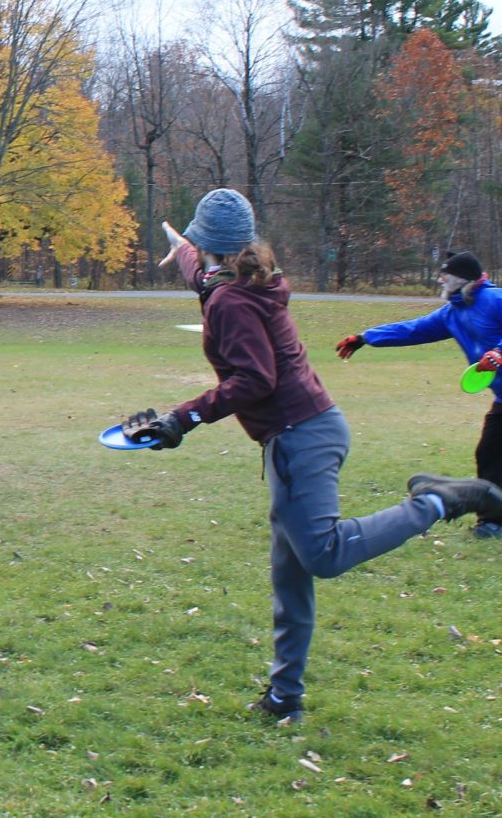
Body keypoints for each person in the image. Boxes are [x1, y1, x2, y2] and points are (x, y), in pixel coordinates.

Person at [120, 187, 502, 725]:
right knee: (290, 574)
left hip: (300, 436)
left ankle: (436, 503)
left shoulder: (231, 300)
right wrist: (179, 243)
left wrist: (184, 417)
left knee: (323, 554)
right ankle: (285, 697)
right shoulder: (252, 279)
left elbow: (255, 379)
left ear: (211, 246)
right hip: (307, 430)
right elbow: (197, 269)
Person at [334, 250, 502, 537]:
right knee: (489, 452)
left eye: (444, 275)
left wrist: (499, 351)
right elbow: (413, 329)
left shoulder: (494, 300)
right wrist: (366, 338)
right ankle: (493, 521)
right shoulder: (452, 313)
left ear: (460, 279)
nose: (439, 279)